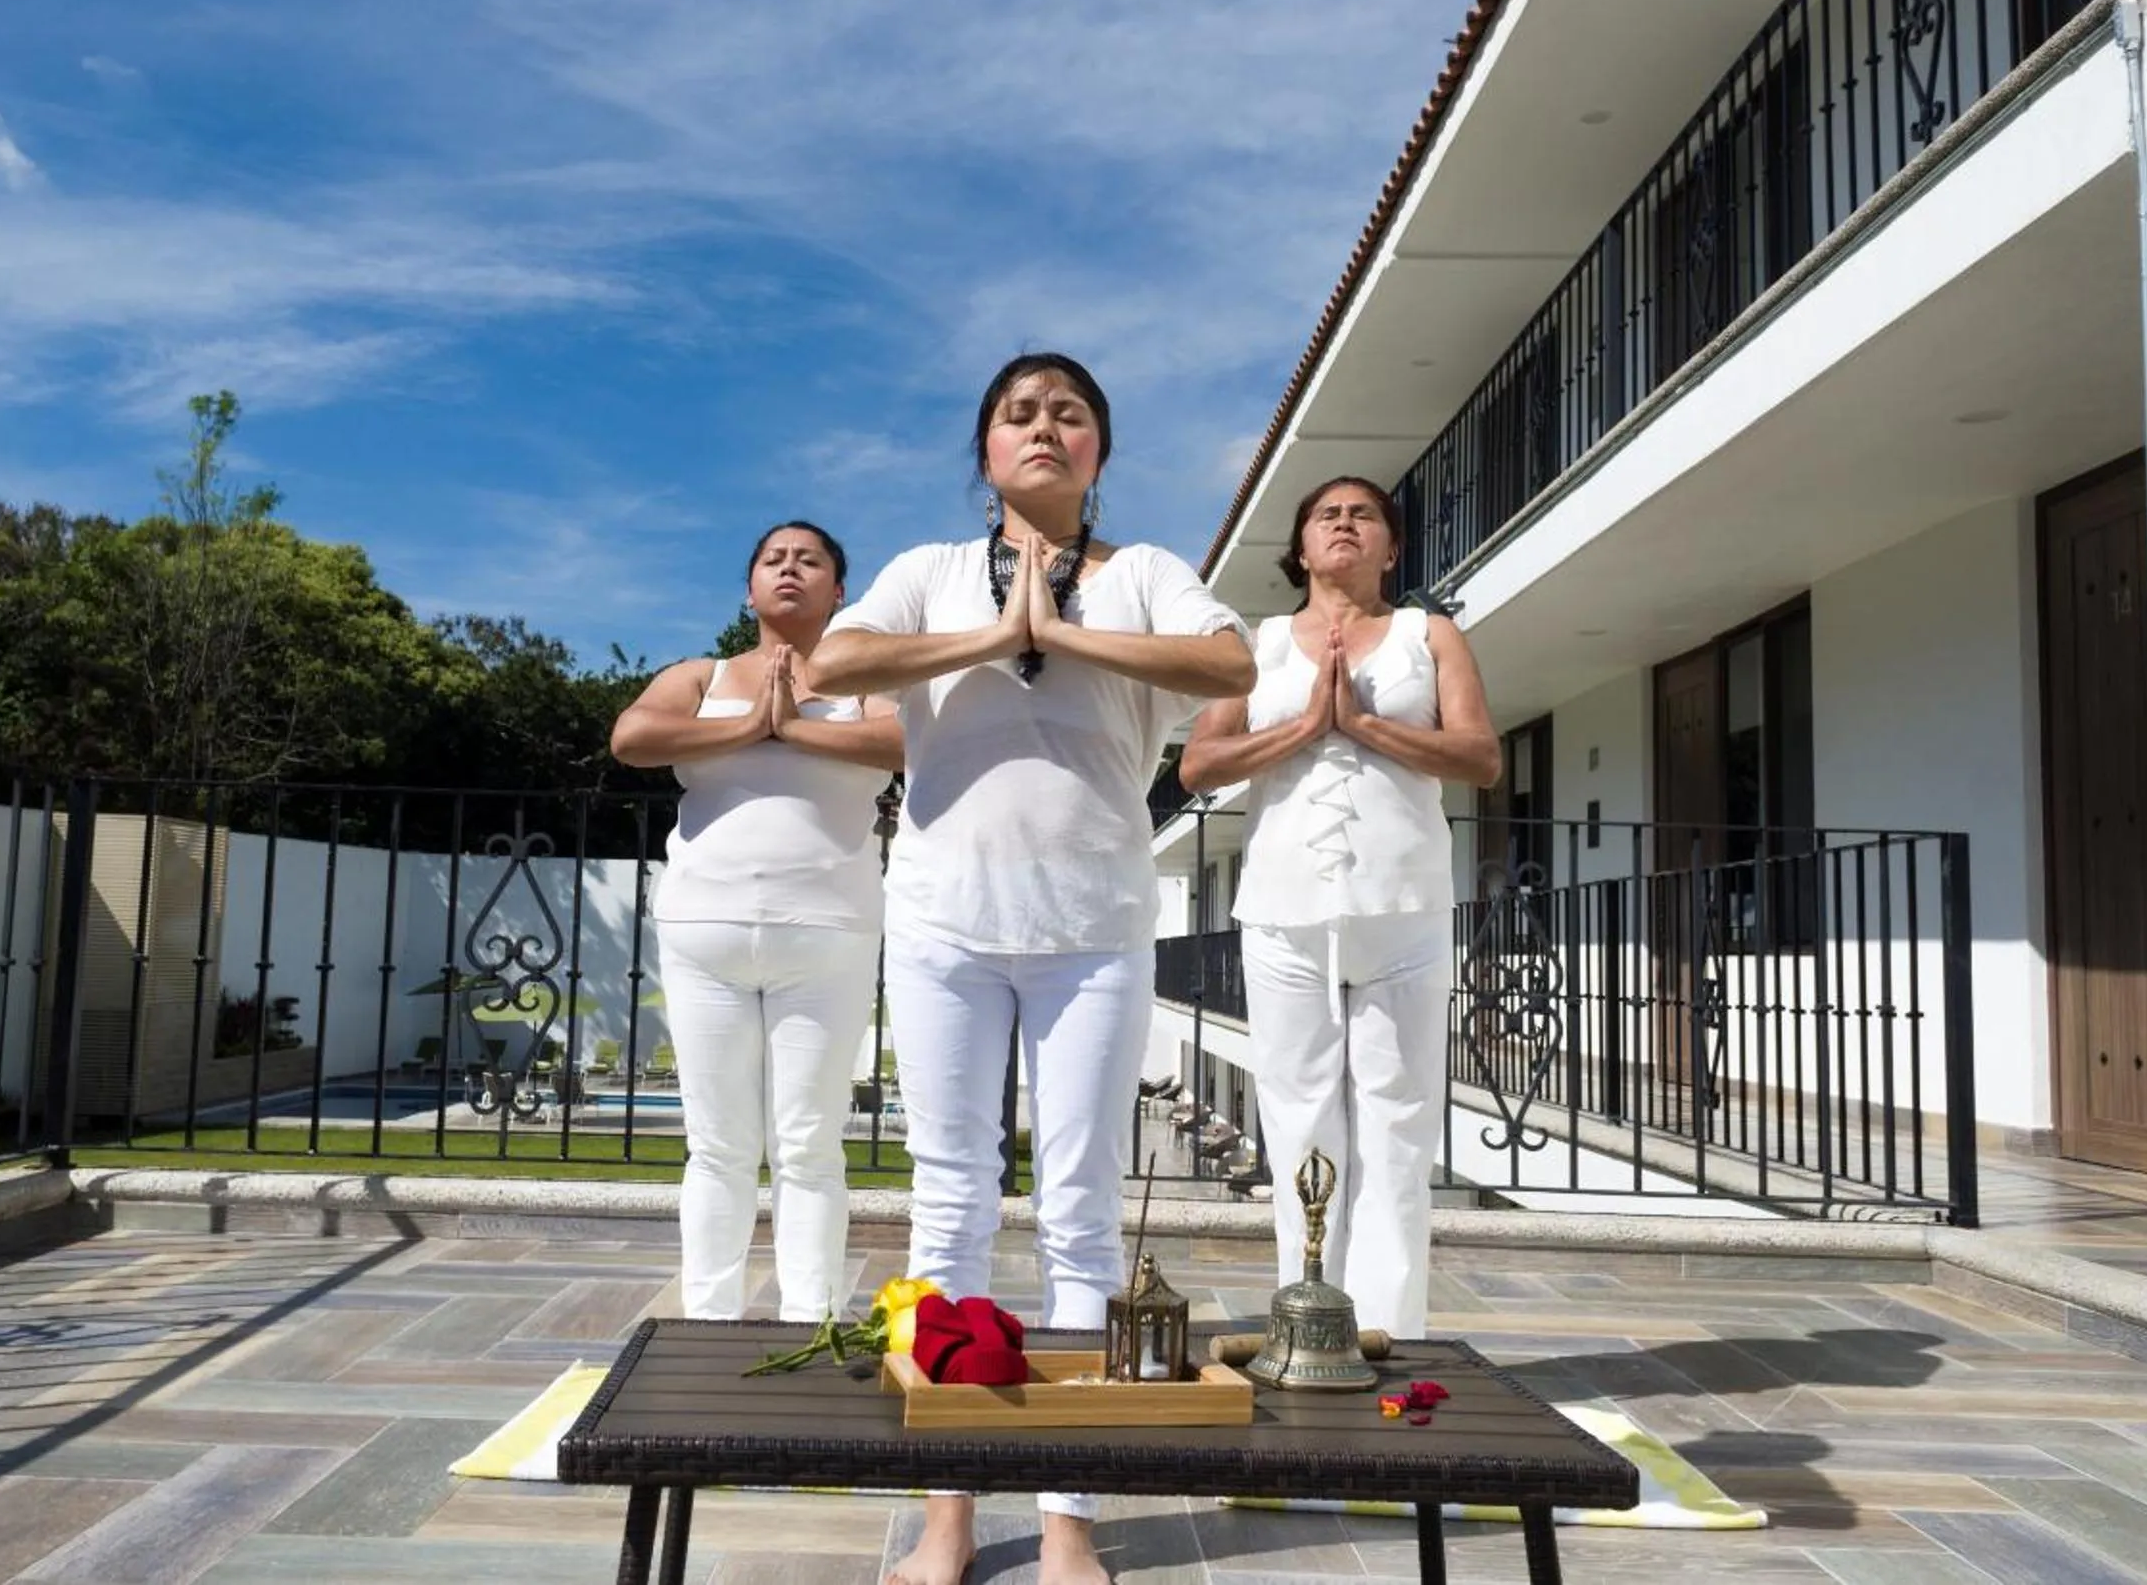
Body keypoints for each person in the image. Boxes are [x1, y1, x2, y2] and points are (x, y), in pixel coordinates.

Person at [811, 353, 1253, 1585]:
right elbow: (836, 668)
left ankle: (1068, 1517)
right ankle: (943, 1509)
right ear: (988, 452)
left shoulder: (1148, 575)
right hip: (947, 922)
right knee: (947, 1206)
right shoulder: (923, 575)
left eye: (1068, 413)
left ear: (1097, 452)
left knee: (1079, 1210)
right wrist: (993, 630)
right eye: (1019, 414)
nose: (1043, 427)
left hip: (1092, 927)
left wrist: (1060, 630)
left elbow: (1230, 670)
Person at [1177, 476, 1500, 1341]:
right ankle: (1305, 1325)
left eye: (1365, 515)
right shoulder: (1263, 641)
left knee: (1397, 1124)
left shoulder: (1427, 635)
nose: (1346, 524)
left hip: (1404, 908)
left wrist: (1363, 726)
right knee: (1295, 1117)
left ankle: (1391, 1333)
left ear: (1391, 547)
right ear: (1302, 545)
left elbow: (1479, 756)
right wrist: (1303, 727)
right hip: (1283, 912)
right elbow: (1197, 766)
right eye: (1328, 514)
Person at [609, 522, 903, 1324]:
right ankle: (708, 1321)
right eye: (773, 559)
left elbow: (907, 743)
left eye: (809, 561)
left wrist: (797, 723)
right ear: (748, 588)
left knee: (809, 1144)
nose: (789, 569)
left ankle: (809, 1319)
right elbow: (632, 737)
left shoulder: (868, 682)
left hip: (829, 931)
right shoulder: (702, 676)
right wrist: (751, 723)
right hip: (706, 930)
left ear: (839, 591)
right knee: (719, 1143)